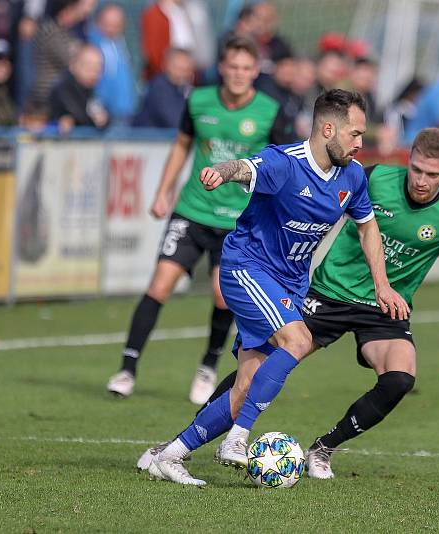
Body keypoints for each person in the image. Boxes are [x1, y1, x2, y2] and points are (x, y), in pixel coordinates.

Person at [138, 128, 439, 480]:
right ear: (408, 159)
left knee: (400, 378)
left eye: (433, 174)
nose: (422, 180)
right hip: (329, 292)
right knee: (255, 368)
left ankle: (323, 449)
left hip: (385, 308)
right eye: (416, 169)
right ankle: (176, 446)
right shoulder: (373, 177)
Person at [146, 89, 410, 486]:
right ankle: (236, 439)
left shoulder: (352, 175)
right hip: (246, 269)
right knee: (298, 341)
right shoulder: (284, 163)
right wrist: (224, 171)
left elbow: (368, 226)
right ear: (327, 129)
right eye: (354, 134)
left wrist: (382, 285)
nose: (361, 143)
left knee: (247, 384)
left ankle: (170, 455)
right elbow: (245, 167)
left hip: (288, 283)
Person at [106, 36, 294, 403]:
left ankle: (207, 366)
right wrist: (164, 190)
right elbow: (182, 144)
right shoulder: (199, 100)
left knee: (224, 298)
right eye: (232, 67)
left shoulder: (271, 111)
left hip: (237, 220)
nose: (239, 74)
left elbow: (280, 164)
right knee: (159, 285)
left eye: (246, 68)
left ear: (255, 71)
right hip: (192, 210)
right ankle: (127, 368)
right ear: (222, 68)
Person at [89, 3, 136, 124]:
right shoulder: (92, 44)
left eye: (116, 26)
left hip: (124, 112)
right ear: (99, 22)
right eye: (106, 24)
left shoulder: (121, 44)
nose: (110, 29)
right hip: (104, 113)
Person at [47, 45, 108, 134]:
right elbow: (80, 117)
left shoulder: (91, 90)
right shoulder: (63, 88)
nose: (94, 72)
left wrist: (104, 119)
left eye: (98, 68)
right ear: (73, 65)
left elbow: (102, 116)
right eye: (89, 66)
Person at [132, 48, 194, 128]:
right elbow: (176, 122)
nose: (183, 74)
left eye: (187, 69)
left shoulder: (182, 88)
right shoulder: (160, 88)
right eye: (179, 68)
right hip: (146, 138)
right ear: (166, 66)